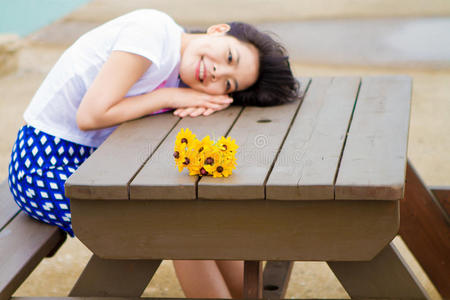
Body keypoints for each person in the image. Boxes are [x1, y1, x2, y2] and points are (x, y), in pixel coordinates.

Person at [7, 9, 298, 299]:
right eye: (230, 57)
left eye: (228, 84)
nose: (216, 73)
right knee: (171, 223)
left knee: (198, 211)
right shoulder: (151, 33)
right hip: (42, 166)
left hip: (96, 164)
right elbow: (91, 116)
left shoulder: (181, 68)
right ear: (218, 30)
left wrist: (192, 100)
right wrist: (170, 97)